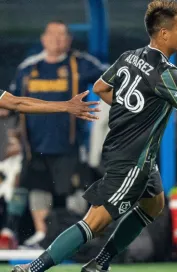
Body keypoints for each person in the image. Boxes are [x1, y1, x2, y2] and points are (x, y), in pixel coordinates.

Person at [12, 0, 177, 271]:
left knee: (154, 204)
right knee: (93, 223)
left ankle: (100, 263)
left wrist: (131, 107)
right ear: (164, 33)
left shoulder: (129, 57)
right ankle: (32, 268)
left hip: (128, 154)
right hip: (133, 162)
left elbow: (100, 87)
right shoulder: (168, 73)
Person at [0, 20, 108, 249]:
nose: (57, 40)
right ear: (43, 39)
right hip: (34, 145)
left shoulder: (80, 63)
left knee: (75, 190)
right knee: (35, 187)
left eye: (62, 35)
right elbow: (13, 103)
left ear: (69, 39)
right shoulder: (29, 68)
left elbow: (108, 80)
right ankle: (41, 234)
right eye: (52, 34)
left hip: (68, 145)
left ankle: (75, 236)